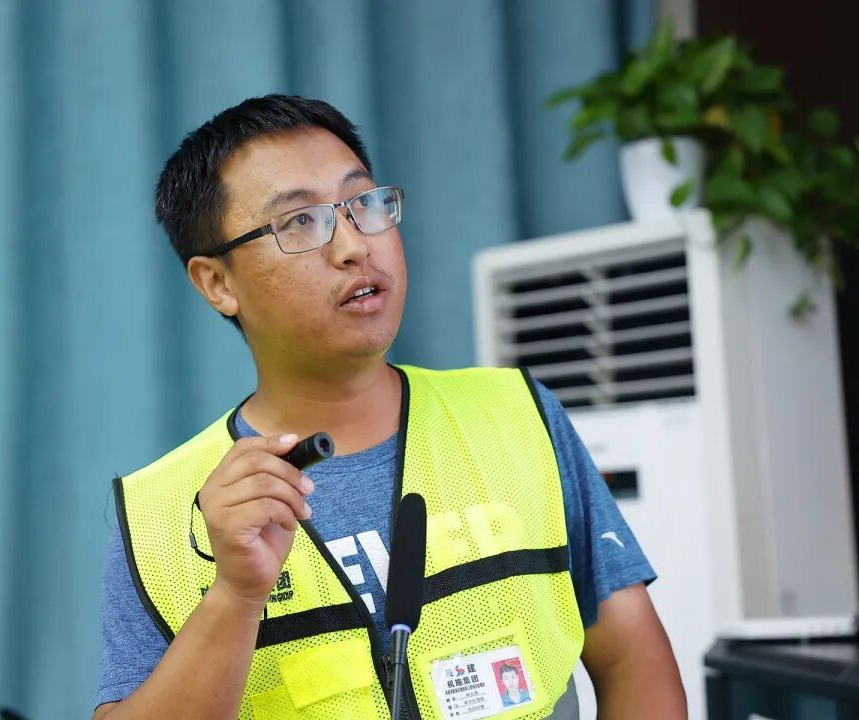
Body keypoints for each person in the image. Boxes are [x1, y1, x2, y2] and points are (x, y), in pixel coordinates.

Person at [92, 95, 686, 720]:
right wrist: (235, 596)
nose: (354, 245)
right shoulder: (159, 517)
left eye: (364, 204)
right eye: (300, 222)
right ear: (217, 283)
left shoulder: (519, 417)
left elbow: (633, 662)